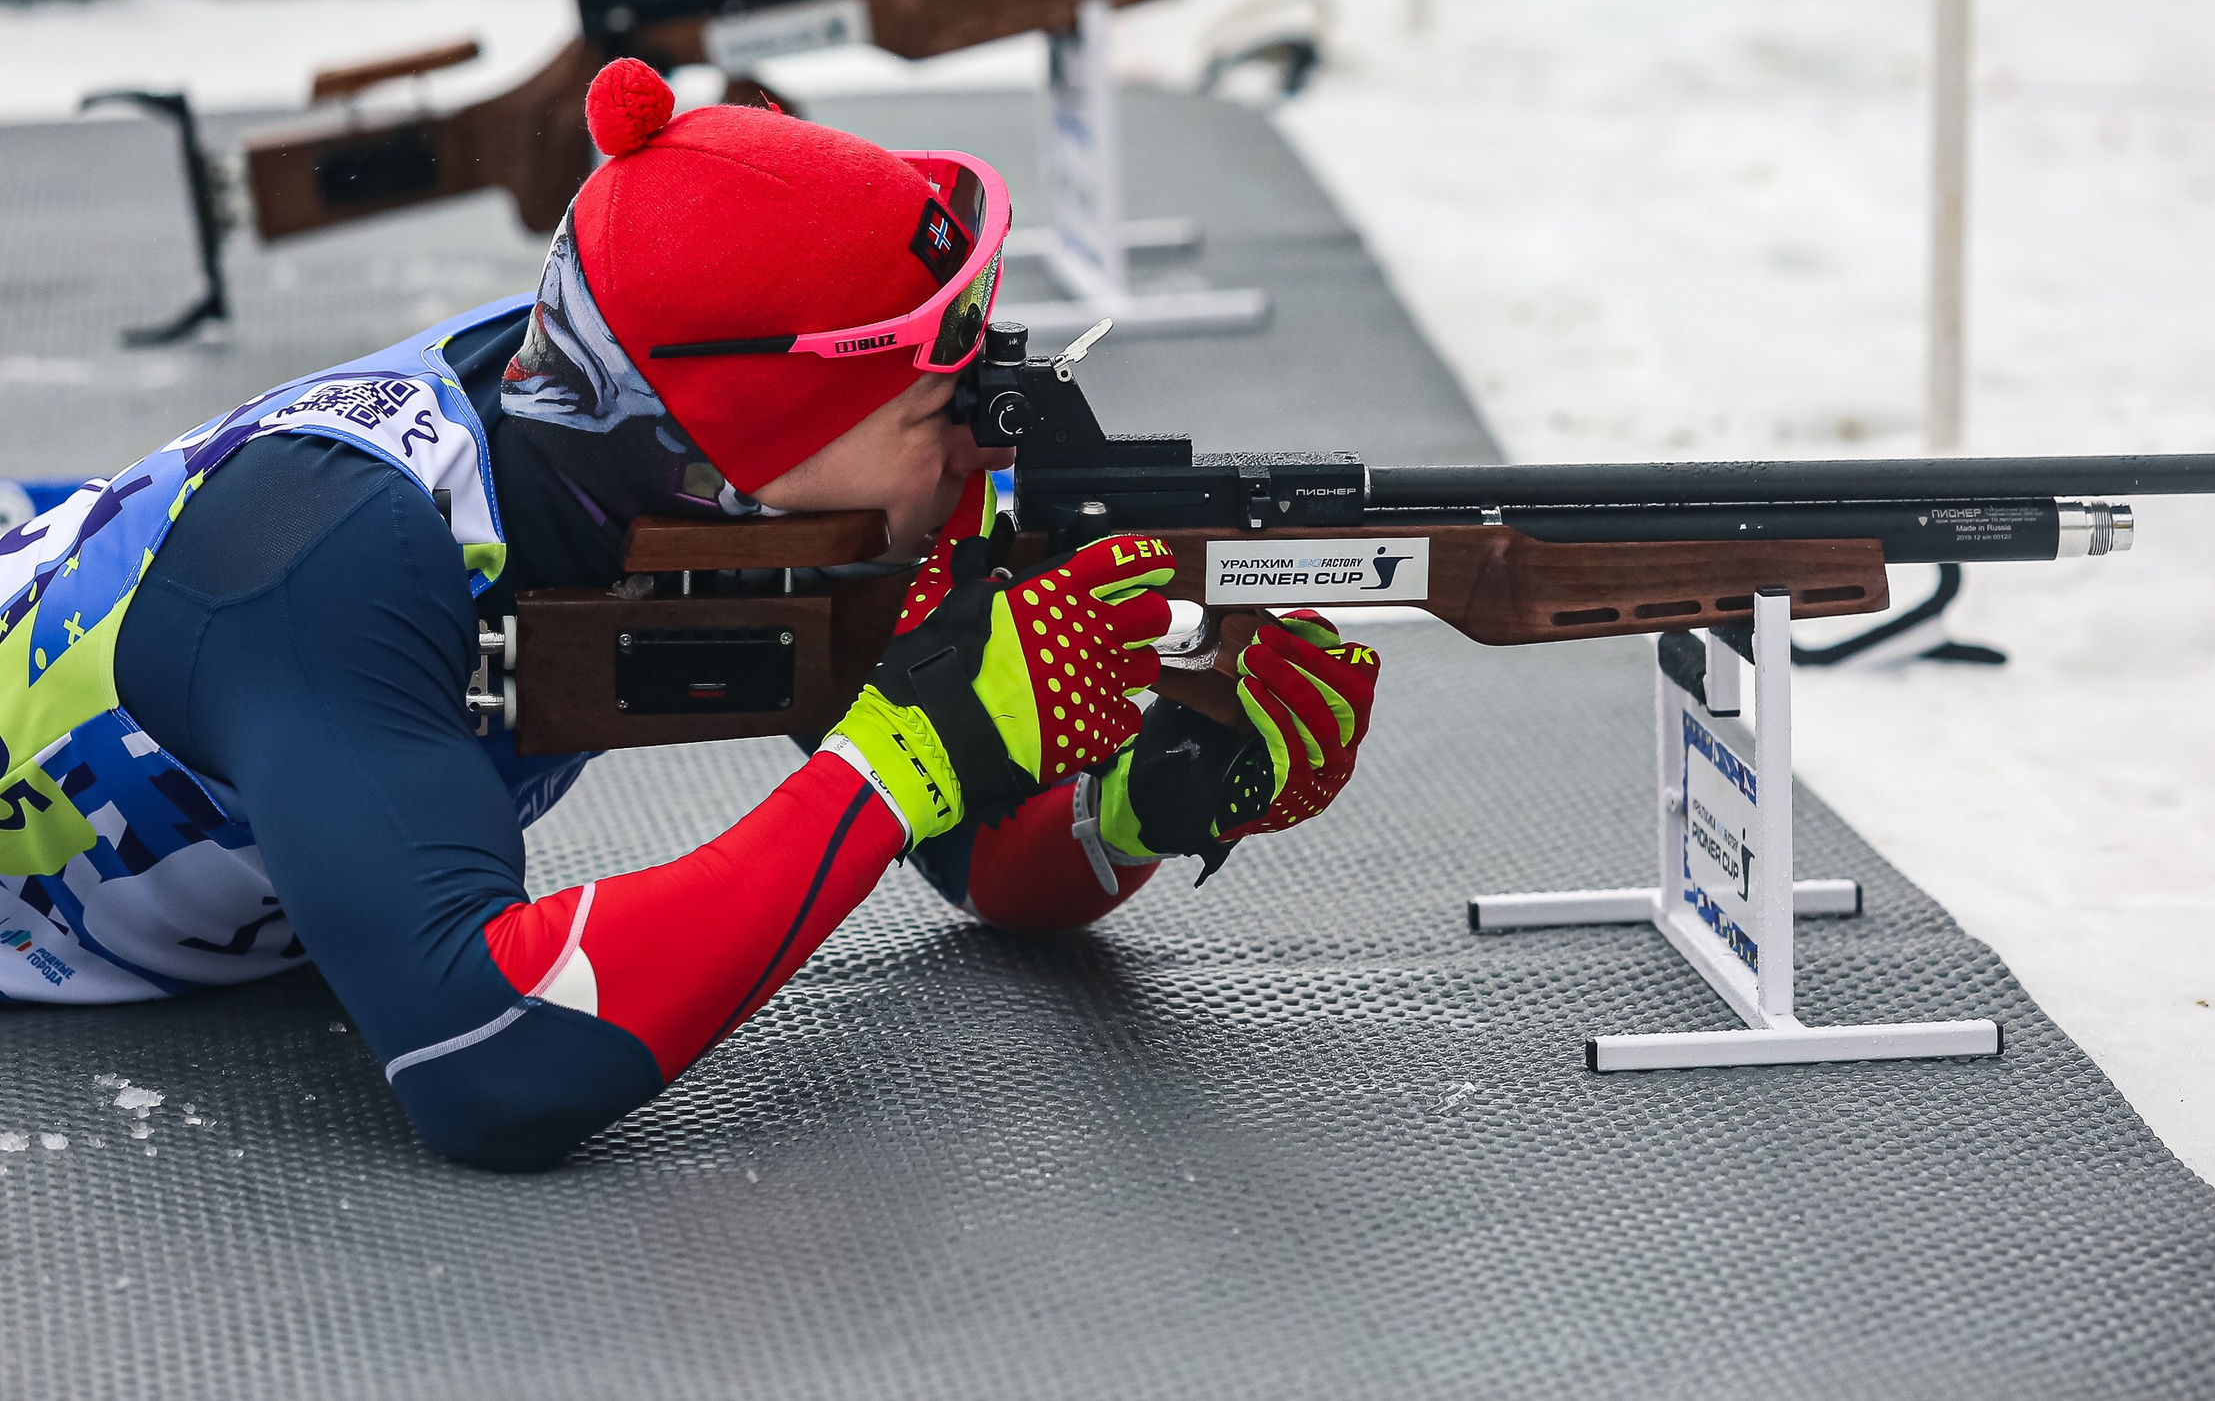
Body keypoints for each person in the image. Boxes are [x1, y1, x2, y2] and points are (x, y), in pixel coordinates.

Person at [0, 58, 1383, 1170]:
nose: (980, 446)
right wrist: (915, 747)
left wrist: (1147, 795)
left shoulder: (656, 447)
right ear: (728, 461)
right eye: (933, 410)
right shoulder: (325, 571)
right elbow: (489, 1063)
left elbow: (983, 862)